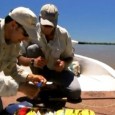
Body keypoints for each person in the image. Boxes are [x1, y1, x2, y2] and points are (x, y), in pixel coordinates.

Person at [18, 4, 81, 103]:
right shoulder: (30, 31)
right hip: (38, 73)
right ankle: (40, 85)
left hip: (58, 72)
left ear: (56, 22)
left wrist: (64, 64)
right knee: (32, 49)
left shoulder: (64, 34)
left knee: (75, 93)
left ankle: (55, 86)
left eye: (50, 25)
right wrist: (33, 61)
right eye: (45, 24)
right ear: (39, 18)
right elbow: (19, 57)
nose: (47, 27)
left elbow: (69, 57)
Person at [0, 6, 47, 110]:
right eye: (26, 34)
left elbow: (11, 69)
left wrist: (29, 77)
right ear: (13, 25)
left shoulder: (15, 43)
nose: (26, 39)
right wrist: (20, 87)